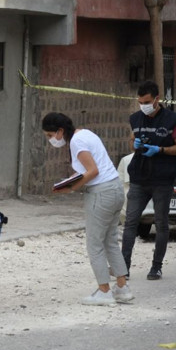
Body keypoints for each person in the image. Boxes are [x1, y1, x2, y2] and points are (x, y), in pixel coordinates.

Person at [42, 112, 134, 305]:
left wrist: (70, 187)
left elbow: (92, 171)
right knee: (110, 241)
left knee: (95, 244)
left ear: (60, 131)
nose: (51, 140)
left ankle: (104, 291)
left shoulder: (76, 142)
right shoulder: (85, 133)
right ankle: (122, 288)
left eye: (50, 135)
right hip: (115, 188)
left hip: (101, 193)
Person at [121, 80, 176, 280]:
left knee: (161, 223)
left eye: (147, 101)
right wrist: (136, 144)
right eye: (140, 102)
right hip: (139, 177)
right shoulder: (136, 118)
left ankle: (156, 266)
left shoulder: (172, 119)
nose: (144, 106)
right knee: (130, 222)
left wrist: (160, 150)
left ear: (157, 99)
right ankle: (124, 267)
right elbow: (132, 142)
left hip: (162, 179)